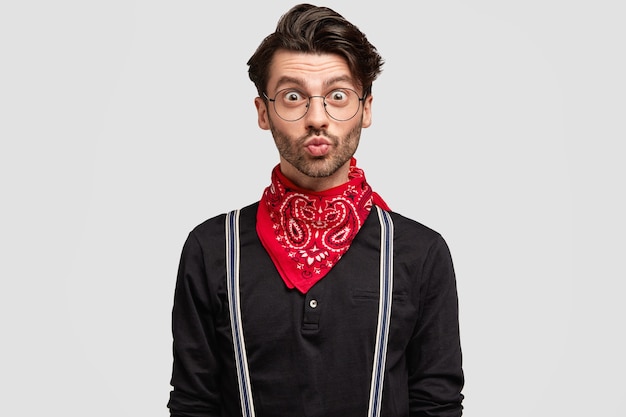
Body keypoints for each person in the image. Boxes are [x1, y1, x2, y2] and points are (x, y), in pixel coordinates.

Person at [167, 3, 464, 417]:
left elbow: (438, 405)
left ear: (366, 108)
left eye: (338, 95)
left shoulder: (419, 251)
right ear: (263, 112)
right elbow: (193, 403)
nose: (317, 118)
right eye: (293, 97)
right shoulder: (212, 247)